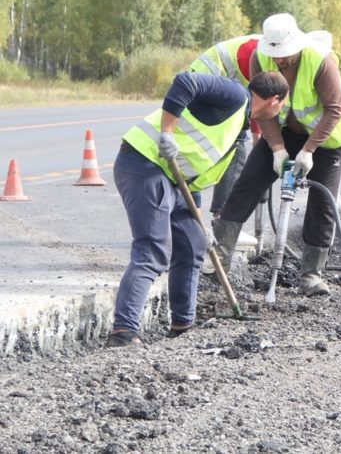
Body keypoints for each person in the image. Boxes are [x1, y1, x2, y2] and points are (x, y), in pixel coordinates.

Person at [105, 70, 288, 347]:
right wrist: (167, 133)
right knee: (153, 250)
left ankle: (182, 326)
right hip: (145, 164)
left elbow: (195, 173)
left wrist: (201, 222)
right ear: (274, 100)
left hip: (176, 181)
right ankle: (123, 333)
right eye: (282, 106)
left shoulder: (238, 125)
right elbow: (185, 81)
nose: (279, 112)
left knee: (194, 243)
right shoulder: (235, 95)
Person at [212, 13, 341, 297]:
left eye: (285, 55)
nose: (279, 60)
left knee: (323, 204)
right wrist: (277, 149)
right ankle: (218, 260)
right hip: (284, 131)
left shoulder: (320, 61)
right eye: (275, 54)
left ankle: (312, 276)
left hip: (326, 139)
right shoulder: (259, 58)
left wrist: (308, 150)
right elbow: (263, 108)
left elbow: (335, 109)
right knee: (247, 184)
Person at [188, 34, 261, 216]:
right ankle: (223, 217)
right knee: (235, 146)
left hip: (202, 81)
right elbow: (257, 100)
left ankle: (197, 212)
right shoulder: (263, 53)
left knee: (197, 146)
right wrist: (257, 137)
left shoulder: (270, 47)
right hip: (207, 84)